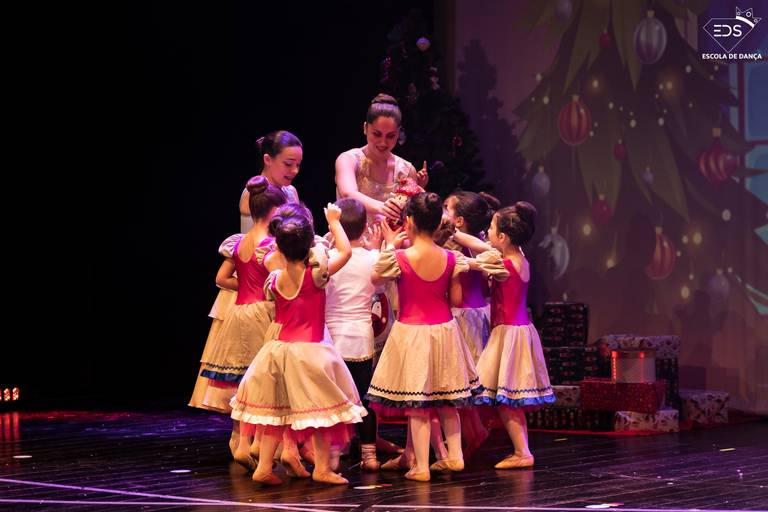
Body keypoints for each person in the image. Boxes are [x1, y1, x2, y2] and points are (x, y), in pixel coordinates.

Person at [230, 204, 366, 485]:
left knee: (276, 412)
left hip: (278, 349)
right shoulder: (315, 276)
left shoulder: (275, 278)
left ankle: (264, 467)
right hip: (310, 352)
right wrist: (334, 221)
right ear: (308, 246)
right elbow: (346, 252)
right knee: (321, 413)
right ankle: (322, 468)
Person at [366, 192, 480, 482]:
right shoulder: (451, 257)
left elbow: (375, 278)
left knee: (418, 403)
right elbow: (456, 299)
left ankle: (421, 467)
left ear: (409, 221)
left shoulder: (401, 257)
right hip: (444, 330)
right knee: (448, 397)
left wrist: (390, 244)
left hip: (412, 332)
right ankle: (455, 456)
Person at [193, 176, 288, 468]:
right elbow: (280, 283)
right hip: (262, 314)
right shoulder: (270, 245)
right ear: (273, 211)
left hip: (238, 312)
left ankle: (239, 441)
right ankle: (259, 443)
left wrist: (246, 286)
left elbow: (221, 278)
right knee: (263, 379)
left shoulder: (239, 243)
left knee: (241, 379)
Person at [464, 202, 556, 469]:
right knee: (508, 399)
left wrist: (445, 253)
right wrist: (454, 233)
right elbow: (480, 246)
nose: (487, 233)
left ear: (503, 237)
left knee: (507, 399)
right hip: (519, 331)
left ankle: (522, 452)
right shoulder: (520, 258)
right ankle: (521, 449)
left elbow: (471, 262)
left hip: (509, 335)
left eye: (491, 229)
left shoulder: (504, 266)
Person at [335, 94, 428, 224]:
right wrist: (382, 207)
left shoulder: (406, 170)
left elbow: (410, 219)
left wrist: (419, 190)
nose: (383, 142)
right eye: (377, 134)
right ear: (365, 128)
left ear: (398, 133)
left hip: (393, 237)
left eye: (390, 136)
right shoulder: (349, 160)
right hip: (347, 236)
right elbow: (348, 194)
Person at [240, 130, 302, 232]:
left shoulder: (291, 192)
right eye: (288, 164)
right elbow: (250, 239)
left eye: (298, 165)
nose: (295, 171)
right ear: (267, 160)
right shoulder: (253, 193)